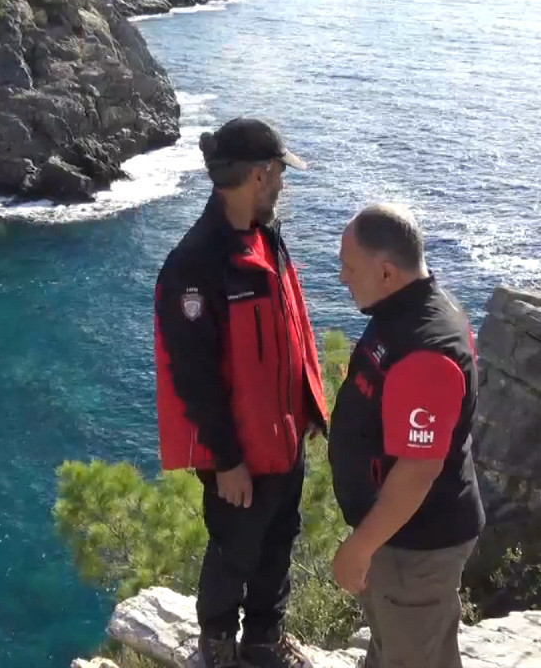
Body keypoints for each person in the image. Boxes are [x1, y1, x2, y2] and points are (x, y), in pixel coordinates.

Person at [152, 117, 330, 668]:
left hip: (285, 438)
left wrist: (309, 409)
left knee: (278, 542)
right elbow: (194, 375)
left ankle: (263, 643)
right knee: (234, 552)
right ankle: (218, 646)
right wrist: (227, 461)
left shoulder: (265, 237)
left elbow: (290, 329)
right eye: (279, 173)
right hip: (241, 454)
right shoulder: (195, 264)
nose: (282, 183)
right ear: (259, 174)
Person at [326, 204, 487, 668]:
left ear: (386, 272)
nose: (341, 277)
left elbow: (417, 471)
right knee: (392, 646)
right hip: (396, 535)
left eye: (349, 267)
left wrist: (360, 547)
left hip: (417, 545)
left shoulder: (427, 348)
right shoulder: (405, 310)